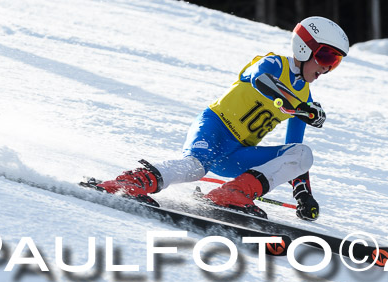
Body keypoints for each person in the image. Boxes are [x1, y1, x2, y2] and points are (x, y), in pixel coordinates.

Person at [97, 16, 349, 221]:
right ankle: (132, 181)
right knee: (196, 167)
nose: (327, 68)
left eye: (335, 62)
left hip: (238, 154)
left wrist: (303, 194)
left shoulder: (304, 96)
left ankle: (235, 193)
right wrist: (300, 107)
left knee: (303, 153)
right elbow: (260, 81)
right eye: (326, 57)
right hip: (214, 128)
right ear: (304, 47)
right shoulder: (272, 63)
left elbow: (292, 154)